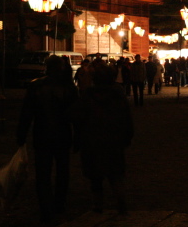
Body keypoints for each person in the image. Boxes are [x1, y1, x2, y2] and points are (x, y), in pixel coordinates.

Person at [16, 55, 79, 224]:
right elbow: (76, 115)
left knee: (43, 173)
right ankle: (59, 203)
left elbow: (27, 113)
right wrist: (78, 135)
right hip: (62, 133)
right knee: (62, 170)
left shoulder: (36, 86)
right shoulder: (69, 87)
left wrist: (21, 134)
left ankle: (45, 206)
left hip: (42, 133)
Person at [73, 61, 134, 215]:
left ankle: (98, 204)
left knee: (95, 175)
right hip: (114, 139)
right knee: (116, 174)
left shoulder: (88, 95)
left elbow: (79, 118)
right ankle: (120, 202)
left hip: (92, 139)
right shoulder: (118, 94)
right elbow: (126, 118)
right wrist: (127, 136)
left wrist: (78, 138)